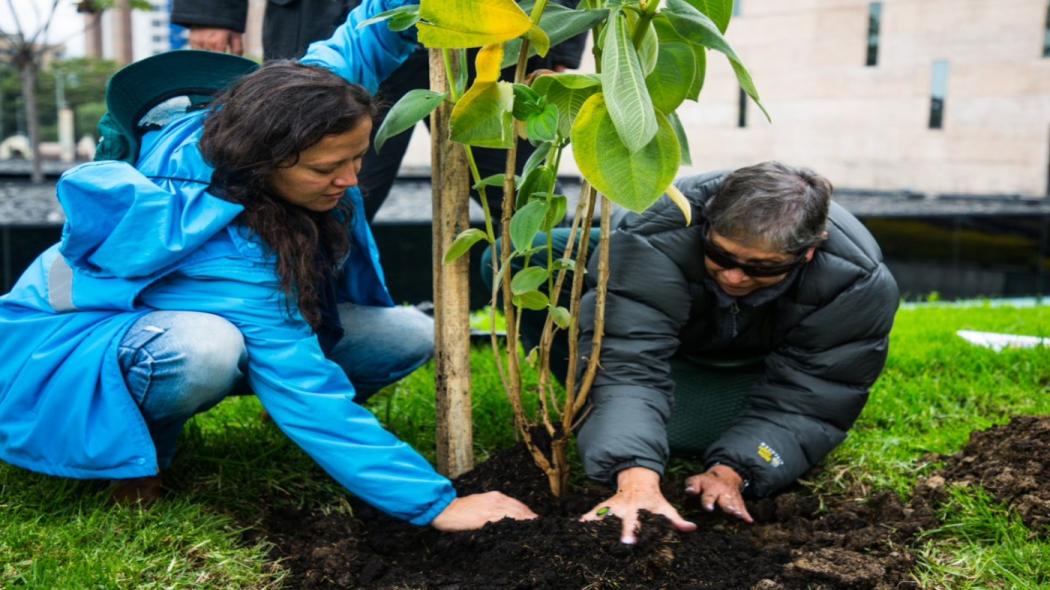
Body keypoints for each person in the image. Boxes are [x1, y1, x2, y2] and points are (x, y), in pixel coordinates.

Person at [0, 0, 535, 531]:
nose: (352, 180)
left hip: (149, 322)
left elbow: (363, 37)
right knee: (205, 350)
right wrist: (436, 505)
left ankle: (264, 416)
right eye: (329, 168)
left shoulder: (287, 110)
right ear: (266, 164)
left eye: (357, 157)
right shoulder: (226, 243)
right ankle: (134, 459)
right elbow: (308, 390)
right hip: (65, 353)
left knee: (406, 335)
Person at [500, 162, 898, 543]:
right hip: (674, 353)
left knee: (699, 437)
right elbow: (628, 360)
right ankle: (615, 420)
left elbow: (814, 394)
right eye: (721, 256)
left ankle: (700, 425)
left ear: (809, 252)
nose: (735, 276)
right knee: (526, 255)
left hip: (753, 368)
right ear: (707, 223)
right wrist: (635, 476)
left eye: (762, 268)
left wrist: (734, 471)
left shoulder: (857, 281)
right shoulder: (655, 231)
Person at [170, 0, 587, 221]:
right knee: (321, 196)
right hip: (322, 19)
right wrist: (213, 12)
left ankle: (572, 361)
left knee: (520, 197)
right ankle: (329, 349)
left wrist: (556, 36)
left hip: (488, 34)